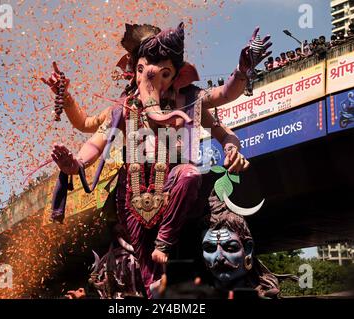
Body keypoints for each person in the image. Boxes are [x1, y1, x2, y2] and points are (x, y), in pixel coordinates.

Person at [42, 23, 271, 298]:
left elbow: (224, 99)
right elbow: (90, 131)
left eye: (164, 74)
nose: (153, 83)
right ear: (134, 71)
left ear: (178, 75)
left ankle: (165, 243)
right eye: (143, 72)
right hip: (133, 194)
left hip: (177, 187)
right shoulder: (124, 107)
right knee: (152, 281)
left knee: (190, 175)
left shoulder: (189, 100)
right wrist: (75, 162)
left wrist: (243, 72)